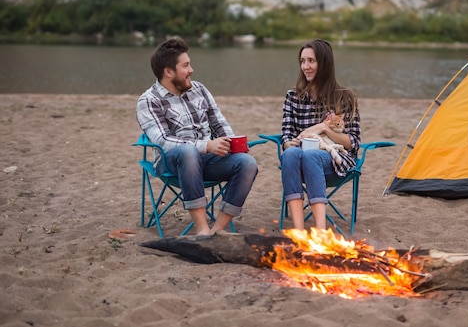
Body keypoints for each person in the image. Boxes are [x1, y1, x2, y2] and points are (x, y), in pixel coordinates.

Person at [136, 36, 258, 236]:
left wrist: (233, 143)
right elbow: (163, 141)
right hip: (171, 163)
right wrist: (206, 145)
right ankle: (202, 229)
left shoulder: (198, 89)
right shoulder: (148, 101)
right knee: (188, 152)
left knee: (247, 162)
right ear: (168, 71)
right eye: (185, 65)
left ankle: (217, 230)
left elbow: (218, 123)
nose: (191, 70)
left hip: (207, 161)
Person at [280, 39, 361, 230]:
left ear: (324, 63)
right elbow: (286, 133)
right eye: (302, 61)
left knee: (311, 155)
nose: (305, 67)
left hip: (335, 160)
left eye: (311, 61)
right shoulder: (293, 96)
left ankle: (320, 230)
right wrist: (288, 144)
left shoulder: (345, 96)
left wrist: (325, 129)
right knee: (291, 154)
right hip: (300, 156)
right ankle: (299, 230)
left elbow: (354, 143)